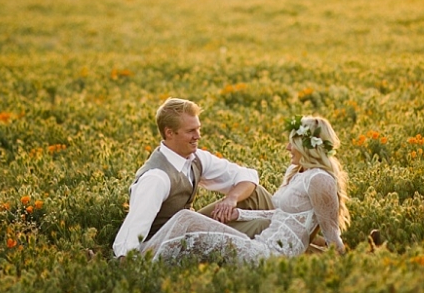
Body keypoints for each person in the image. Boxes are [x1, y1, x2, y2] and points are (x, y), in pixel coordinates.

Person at [139, 115, 349, 262]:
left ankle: (137, 263)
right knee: (185, 219)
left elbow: (332, 234)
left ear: (308, 147)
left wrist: (345, 265)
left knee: (187, 219)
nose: (287, 147)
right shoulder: (298, 173)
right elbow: (278, 214)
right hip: (260, 245)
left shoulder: (320, 180)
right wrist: (239, 213)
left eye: (292, 143)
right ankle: (139, 258)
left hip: (272, 256)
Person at [111, 98, 274, 259]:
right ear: (169, 132)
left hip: (189, 233)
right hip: (164, 248)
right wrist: (126, 260)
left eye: (198, 129)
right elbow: (133, 230)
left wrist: (231, 198)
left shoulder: (195, 157)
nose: (198, 136)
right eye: (190, 131)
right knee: (262, 225)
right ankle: (279, 238)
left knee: (254, 193)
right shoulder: (156, 178)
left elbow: (246, 176)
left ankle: (283, 226)